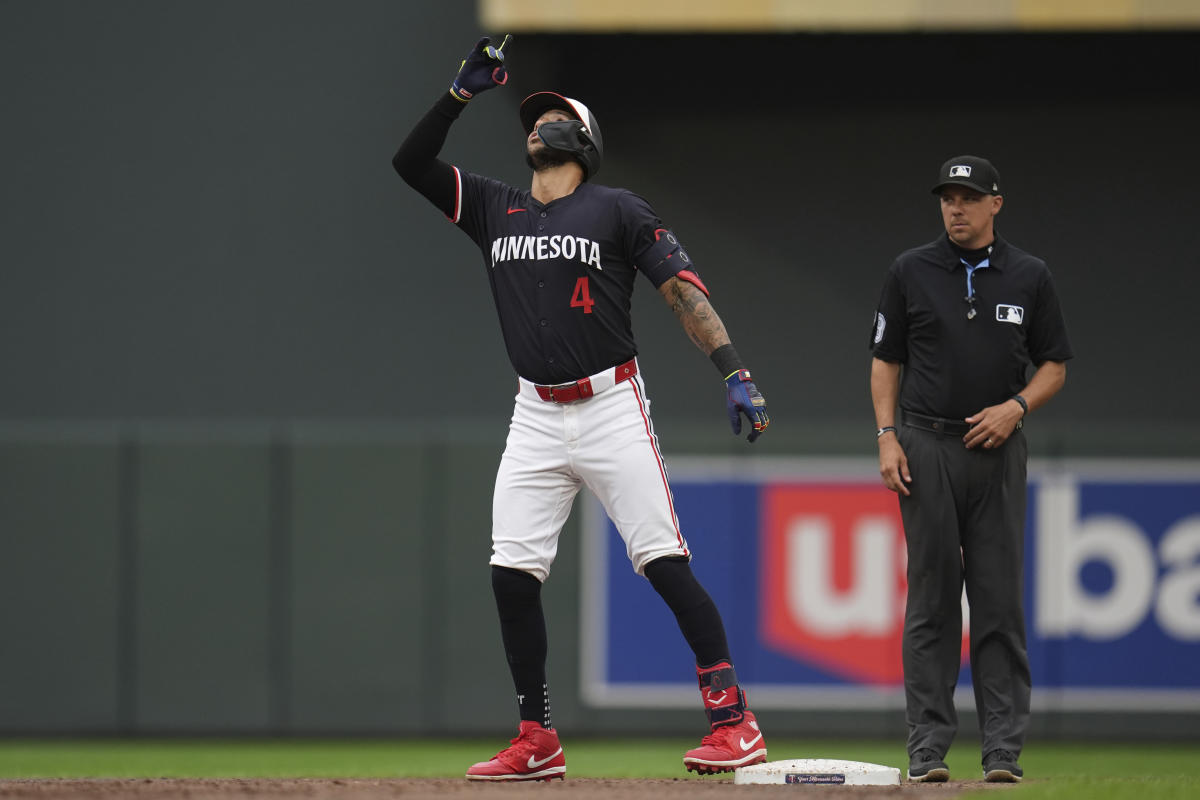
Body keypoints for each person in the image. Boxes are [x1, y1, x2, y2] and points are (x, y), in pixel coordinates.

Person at [392, 35, 770, 782]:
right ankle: (538, 736)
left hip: (609, 406)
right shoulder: (495, 206)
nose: (537, 122)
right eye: (533, 116)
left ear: (584, 139)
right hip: (533, 413)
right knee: (510, 572)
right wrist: (459, 95)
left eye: (554, 115)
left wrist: (735, 370)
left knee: (663, 561)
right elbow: (410, 164)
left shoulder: (617, 208)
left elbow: (681, 291)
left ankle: (735, 722)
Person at [869, 156, 1072, 784]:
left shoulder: (1030, 275)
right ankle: (928, 749)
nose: (955, 208)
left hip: (997, 450)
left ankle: (1002, 753)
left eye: (968, 197)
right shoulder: (911, 270)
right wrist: (885, 436)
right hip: (926, 444)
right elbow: (885, 360)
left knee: (998, 601)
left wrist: (1017, 407)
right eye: (948, 197)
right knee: (931, 600)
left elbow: (1055, 365)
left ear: (995, 204)